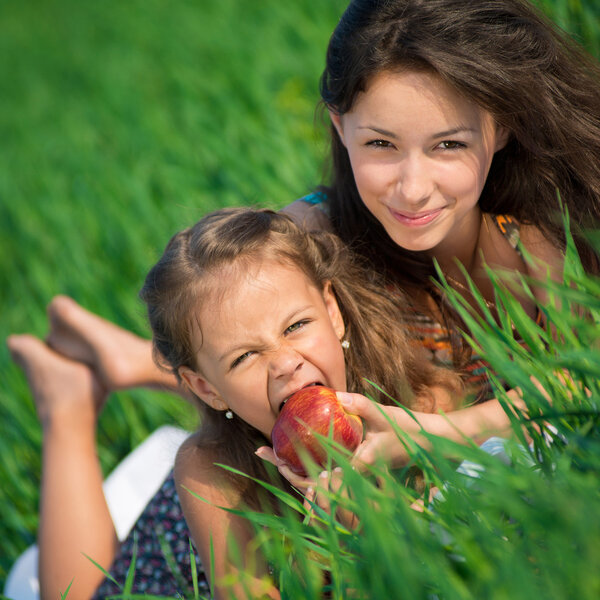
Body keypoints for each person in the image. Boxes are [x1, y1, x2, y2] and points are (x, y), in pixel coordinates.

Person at [7, 0, 600, 595]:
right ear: (340, 128)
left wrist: (412, 459)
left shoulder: (536, 245)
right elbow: (224, 316)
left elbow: (586, 382)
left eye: (447, 144)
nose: (413, 188)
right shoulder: (308, 239)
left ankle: (134, 361)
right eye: (381, 144)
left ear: (499, 125)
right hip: (247, 475)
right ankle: (69, 405)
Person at [8, 208, 463, 599]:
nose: (285, 363)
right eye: (245, 356)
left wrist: (363, 517)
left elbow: (449, 553)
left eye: (296, 325)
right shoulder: (210, 473)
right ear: (205, 389)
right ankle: (64, 404)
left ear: (333, 312)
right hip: (184, 559)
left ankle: (129, 359)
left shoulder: (419, 403)